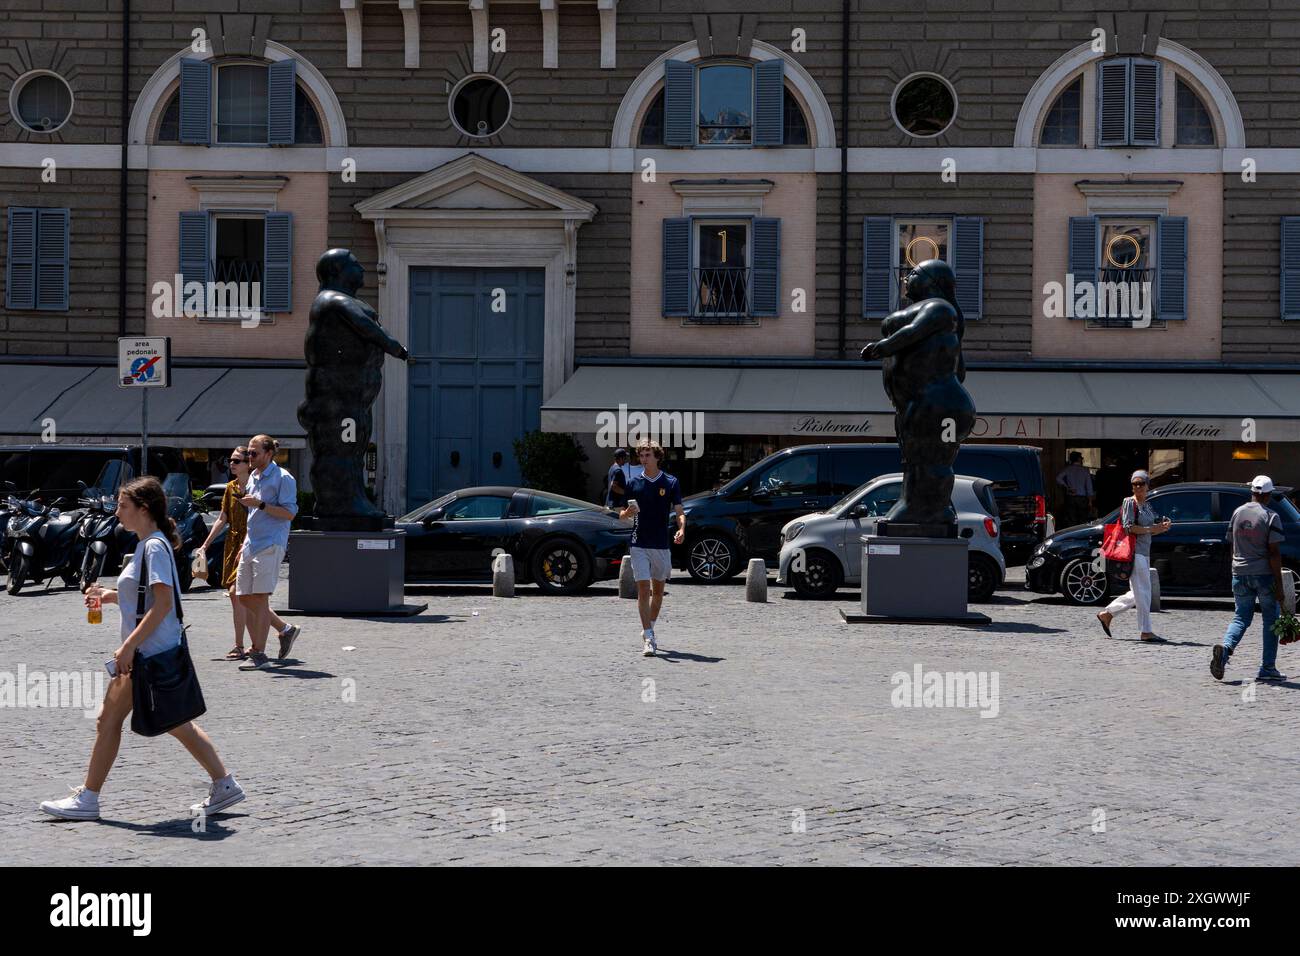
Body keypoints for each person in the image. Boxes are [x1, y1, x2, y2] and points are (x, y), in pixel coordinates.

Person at [40, 476, 244, 821]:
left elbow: (163, 603)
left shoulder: (152, 546)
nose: (117, 512)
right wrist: (110, 596)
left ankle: (88, 799)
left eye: (123, 506)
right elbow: (146, 596)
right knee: (165, 722)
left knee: (124, 721)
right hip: (150, 651)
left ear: (143, 509)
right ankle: (225, 785)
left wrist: (128, 647)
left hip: (146, 653)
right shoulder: (150, 544)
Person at [197, 446, 301, 661]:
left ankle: (254, 648)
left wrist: (259, 505)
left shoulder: (278, 478)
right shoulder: (238, 484)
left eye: (238, 460)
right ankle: (275, 633)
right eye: (231, 460)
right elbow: (223, 518)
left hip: (264, 544)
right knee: (241, 596)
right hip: (242, 544)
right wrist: (205, 545)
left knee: (250, 597)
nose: (232, 464)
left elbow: (285, 512)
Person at [1211, 475, 1288, 683]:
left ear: (1252, 493)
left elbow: (1232, 544)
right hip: (1263, 575)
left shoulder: (1237, 513)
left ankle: (1225, 650)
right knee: (1271, 621)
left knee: (1241, 617)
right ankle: (1268, 668)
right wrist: (1280, 587)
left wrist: (1235, 569)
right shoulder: (1271, 516)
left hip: (1239, 573)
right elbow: (1274, 553)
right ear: (1268, 495)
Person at [236, 435, 299, 671]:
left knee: (260, 599)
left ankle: (258, 653)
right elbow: (253, 516)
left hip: (271, 544)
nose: (249, 457)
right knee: (242, 596)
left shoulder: (284, 478)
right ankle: (285, 629)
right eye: (248, 453)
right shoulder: (253, 476)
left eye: (253, 453)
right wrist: (243, 544)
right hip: (251, 543)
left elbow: (290, 514)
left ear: (269, 453)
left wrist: (260, 504)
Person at [618, 439, 685, 657]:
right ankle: (648, 637)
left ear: (657, 456)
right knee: (643, 590)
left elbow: (679, 511)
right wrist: (628, 513)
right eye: (641, 455)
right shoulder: (633, 483)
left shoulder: (671, 482)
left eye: (648, 455)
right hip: (639, 543)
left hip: (661, 544)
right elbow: (621, 515)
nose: (644, 459)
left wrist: (682, 529)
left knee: (658, 593)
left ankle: (650, 627)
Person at [1096, 470, 1172, 642]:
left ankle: (1107, 614)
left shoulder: (1147, 505)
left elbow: (1149, 530)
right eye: (1134, 484)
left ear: (1147, 485)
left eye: (1141, 483)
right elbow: (1129, 527)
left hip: (1144, 552)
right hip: (1134, 552)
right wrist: (1152, 529)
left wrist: (1161, 528)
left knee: (1138, 592)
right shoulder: (1130, 502)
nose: (1137, 487)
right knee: (1144, 592)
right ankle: (1146, 631)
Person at [1056, 451, 1095, 527]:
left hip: (1071, 497)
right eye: (1081, 458)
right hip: (1082, 498)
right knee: (1083, 520)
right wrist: (1090, 501)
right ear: (1078, 459)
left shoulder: (1067, 469)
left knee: (1071, 520)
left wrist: (1067, 486)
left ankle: (1072, 536)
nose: (1082, 459)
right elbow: (1089, 486)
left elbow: (1058, 478)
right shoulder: (1085, 470)